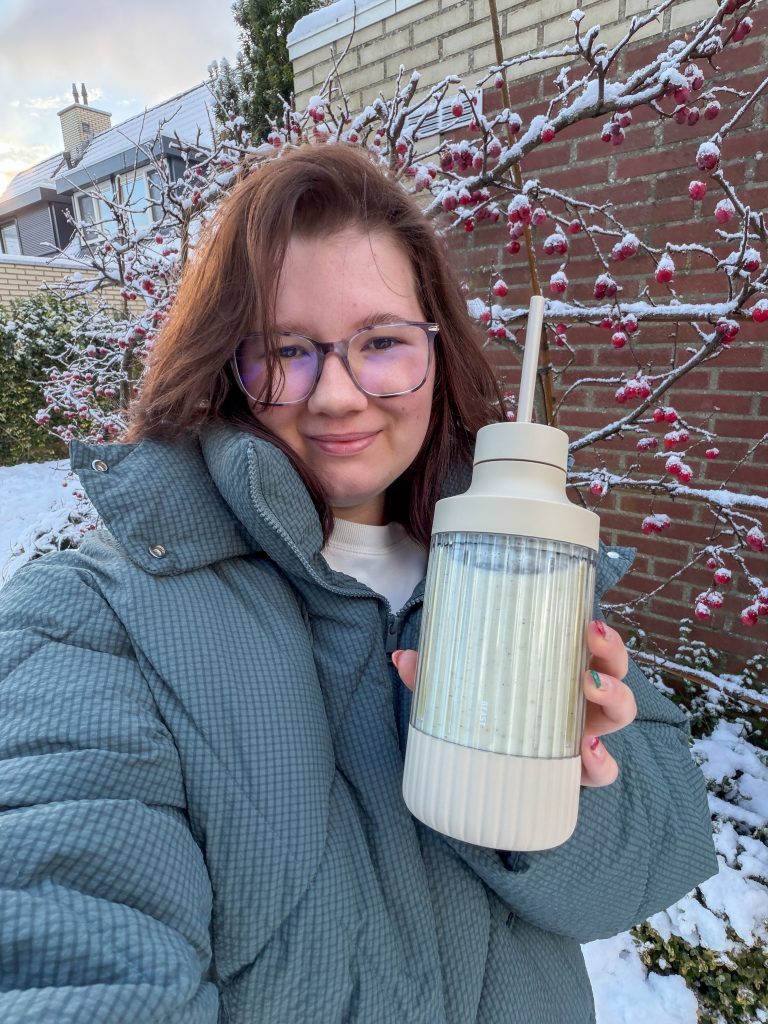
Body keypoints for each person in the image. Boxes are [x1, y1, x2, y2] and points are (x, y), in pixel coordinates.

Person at [0, 144, 716, 1023]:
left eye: (380, 341)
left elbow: (650, 868)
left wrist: (549, 787)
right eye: (285, 350)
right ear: (227, 367)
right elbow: (72, 942)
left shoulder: (530, 579)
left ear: (436, 350)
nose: (336, 396)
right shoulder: (91, 623)